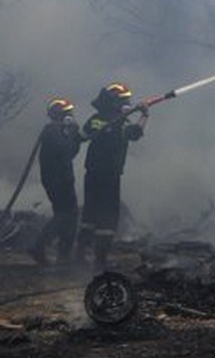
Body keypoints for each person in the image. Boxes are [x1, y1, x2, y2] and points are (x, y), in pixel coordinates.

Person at [76, 82, 146, 271]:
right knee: (108, 215)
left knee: (89, 213)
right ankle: (100, 259)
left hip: (91, 174)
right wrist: (144, 114)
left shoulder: (95, 119)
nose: (128, 103)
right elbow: (136, 133)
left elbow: (81, 136)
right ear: (115, 103)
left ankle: (79, 254)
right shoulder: (120, 124)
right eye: (125, 101)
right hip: (110, 175)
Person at [30, 98, 82, 266]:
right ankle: (39, 245)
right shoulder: (52, 132)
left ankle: (63, 256)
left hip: (62, 179)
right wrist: (72, 133)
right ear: (62, 116)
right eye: (68, 113)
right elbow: (64, 150)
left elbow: (70, 153)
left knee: (70, 216)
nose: (72, 116)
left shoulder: (59, 131)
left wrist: (73, 137)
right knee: (65, 215)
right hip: (58, 181)